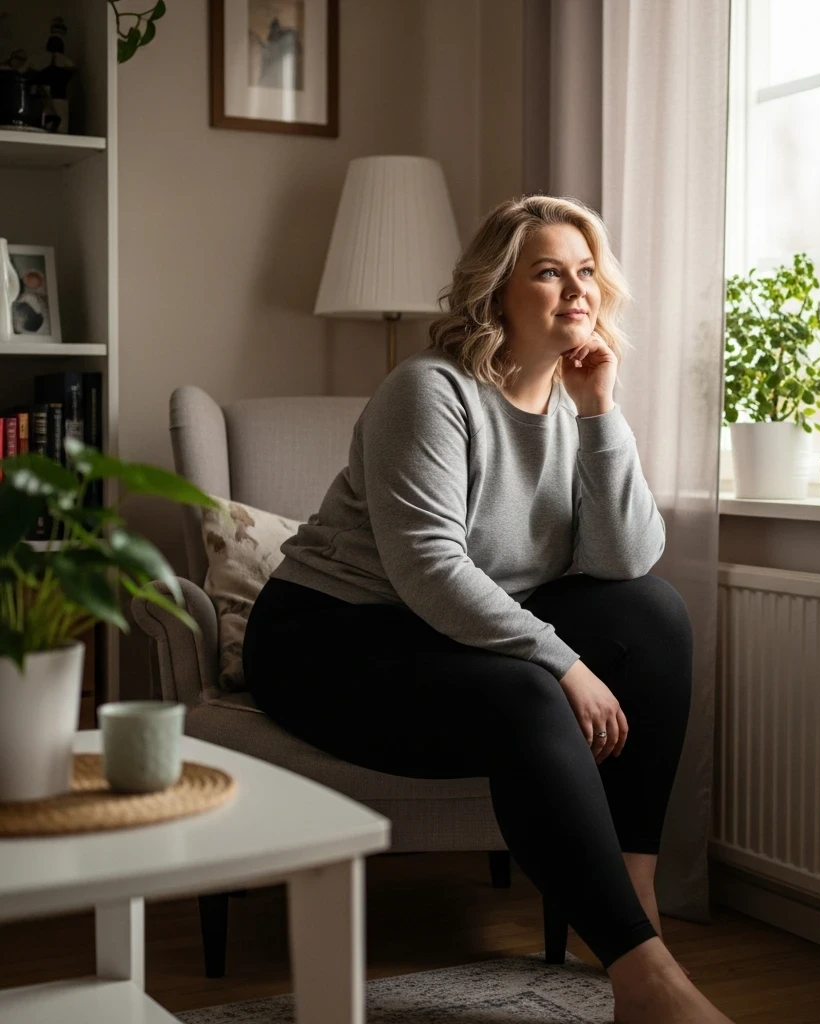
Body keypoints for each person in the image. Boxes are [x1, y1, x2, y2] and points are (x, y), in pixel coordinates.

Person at [243, 194, 735, 1024]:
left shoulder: (581, 406)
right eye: (548, 272)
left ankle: (633, 907)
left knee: (654, 615)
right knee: (531, 692)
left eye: (586, 273)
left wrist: (602, 411)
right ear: (496, 291)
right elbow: (430, 567)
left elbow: (624, 561)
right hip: (328, 635)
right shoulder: (428, 391)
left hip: (448, 634)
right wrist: (562, 661)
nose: (576, 290)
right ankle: (647, 986)